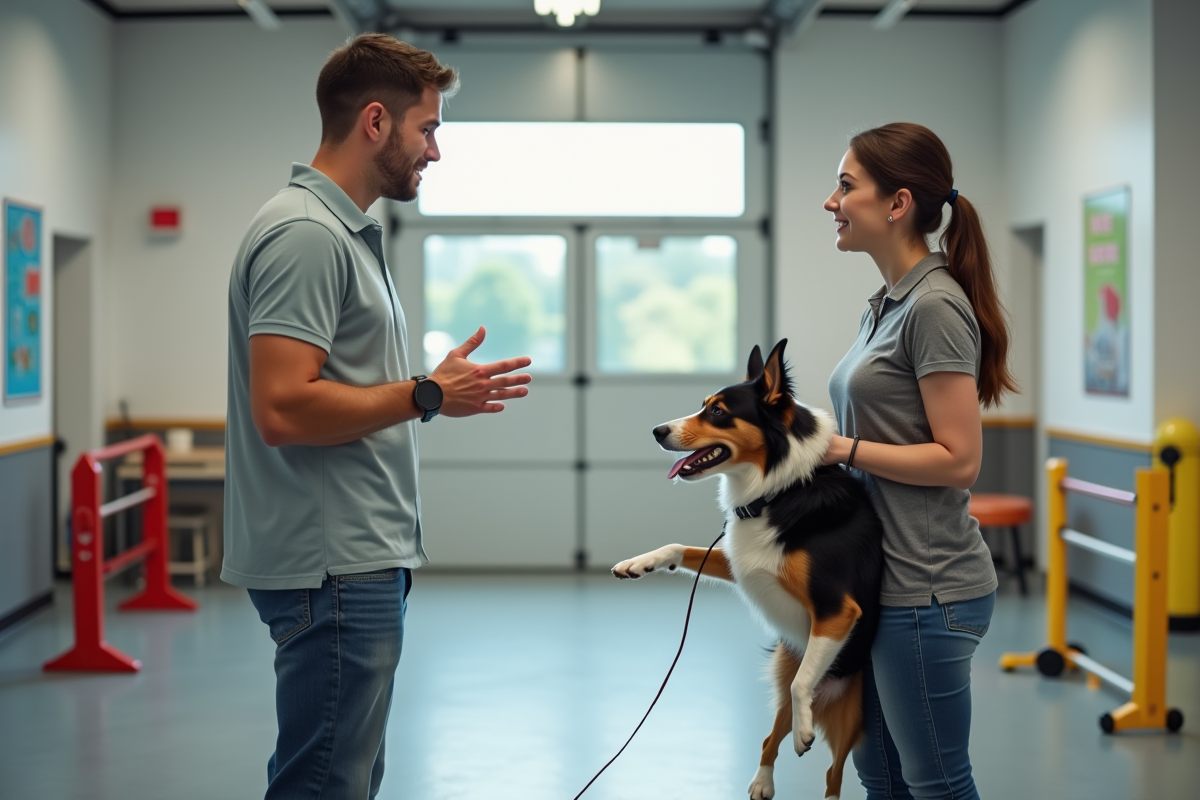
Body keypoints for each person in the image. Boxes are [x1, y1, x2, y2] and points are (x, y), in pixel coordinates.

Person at [221, 34, 532, 800]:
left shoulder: (342, 233)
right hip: (333, 563)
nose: (436, 151)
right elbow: (283, 407)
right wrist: (425, 393)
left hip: (353, 557)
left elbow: (332, 393)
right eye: (428, 129)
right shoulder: (307, 236)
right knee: (327, 782)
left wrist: (429, 394)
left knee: (344, 775)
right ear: (374, 122)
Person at [822, 122, 1014, 800]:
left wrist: (842, 448)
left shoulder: (933, 306)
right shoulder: (884, 305)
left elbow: (959, 460)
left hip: (926, 591)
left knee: (936, 783)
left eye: (846, 186)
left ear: (897, 203)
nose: (831, 202)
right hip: (878, 582)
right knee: (880, 777)